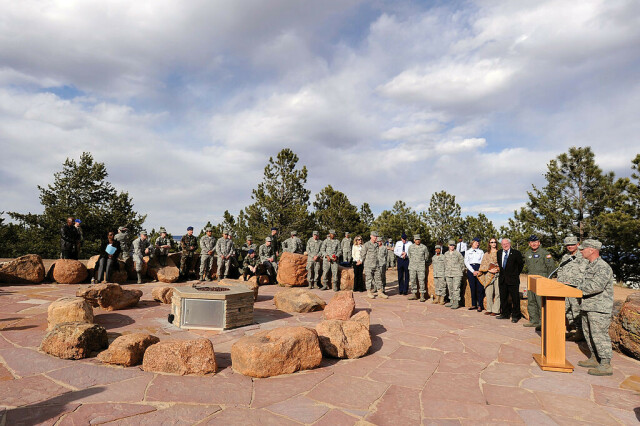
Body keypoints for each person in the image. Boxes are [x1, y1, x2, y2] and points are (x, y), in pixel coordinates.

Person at [576, 239, 614, 376]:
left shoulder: (602, 267)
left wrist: (577, 291)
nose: (581, 251)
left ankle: (605, 364)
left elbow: (596, 286)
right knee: (589, 334)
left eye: (583, 249)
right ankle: (594, 358)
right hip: (587, 306)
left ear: (592, 250)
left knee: (599, 335)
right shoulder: (590, 265)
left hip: (599, 308)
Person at [557, 235, 587, 341]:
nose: (570, 246)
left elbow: (583, 273)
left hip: (575, 288)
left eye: (572, 244)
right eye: (568, 245)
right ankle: (573, 329)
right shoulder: (566, 257)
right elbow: (560, 269)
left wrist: (572, 282)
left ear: (578, 244)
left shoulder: (582, 256)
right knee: (567, 309)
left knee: (576, 309)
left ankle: (580, 331)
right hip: (564, 288)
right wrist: (560, 282)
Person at [523, 235, 555, 330]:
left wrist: (547, 280)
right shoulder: (527, 253)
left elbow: (551, 268)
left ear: (539, 243)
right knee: (531, 300)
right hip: (531, 278)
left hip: (542, 279)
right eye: (532, 242)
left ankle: (543, 322)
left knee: (540, 301)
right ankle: (534, 320)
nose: (533, 244)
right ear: (529, 244)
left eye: (536, 242)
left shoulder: (545, 253)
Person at [496, 238, 525, 323]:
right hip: (502, 279)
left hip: (513, 279)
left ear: (510, 243)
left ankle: (516, 315)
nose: (505, 245)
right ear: (501, 245)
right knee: (503, 297)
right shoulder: (499, 253)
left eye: (506, 243)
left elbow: (520, 265)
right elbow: (500, 266)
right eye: (503, 244)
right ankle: (505, 314)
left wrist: (515, 274)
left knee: (515, 298)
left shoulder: (516, 253)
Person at [361, 231, 387, 299]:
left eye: (376, 236)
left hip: (376, 264)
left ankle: (379, 292)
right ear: (371, 236)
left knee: (378, 279)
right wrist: (362, 262)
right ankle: (369, 292)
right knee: (369, 279)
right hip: (368, 265)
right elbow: (363, 254)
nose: (376, 238)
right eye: (374, 236)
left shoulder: (377, 245)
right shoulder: (367, 244)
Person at [478, 238, 500, 316]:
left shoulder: (499, 253)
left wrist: (497, 269)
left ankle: (496, 310)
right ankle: (489, 309)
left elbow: (502, 264)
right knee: (489, 292)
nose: (493, 243)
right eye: (492, 242)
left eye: (495, 242)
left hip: (498, 274)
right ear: (489, 244)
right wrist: (489, 269)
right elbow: (482, 265)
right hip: (488, 275)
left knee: (498, 293)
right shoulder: (486, 254)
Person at [465, 237, 485, 312]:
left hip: (479, 268)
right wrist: (473, 271)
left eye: (478, 242)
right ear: (472, 243)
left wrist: (479, 270)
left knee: (480, 288)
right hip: (471, 269)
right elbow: (466, 262)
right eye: (476, 242)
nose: (477, 243)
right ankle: (474, 304)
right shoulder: (467, 252)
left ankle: (480, 305)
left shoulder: (481, 252)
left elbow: (483, 261)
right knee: (472, 287)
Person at [407, 234, 429, 302]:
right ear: (414, 240)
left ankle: (422, 295)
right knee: (413, 280)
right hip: (412, 267)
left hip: (421, 267)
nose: (418, 241)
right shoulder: (410, 247)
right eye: (416, 240)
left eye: (419, 239)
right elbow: (409, 256)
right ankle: (414, 294)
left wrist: (421, 262)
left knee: (421, 281)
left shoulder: (424, 247)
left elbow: (426, 257)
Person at [444, 240, 465, 309]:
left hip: (457, 273)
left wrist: (460, 271)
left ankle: (456, 302)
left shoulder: (458, 254)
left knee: (456, 288)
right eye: (450, 245)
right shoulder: (446, 254)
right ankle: (451, 301)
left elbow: (462, 263)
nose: (452, 246)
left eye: (453, 245)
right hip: (448, 273)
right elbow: (444, 263)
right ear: (448, 245)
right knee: (450, 288)